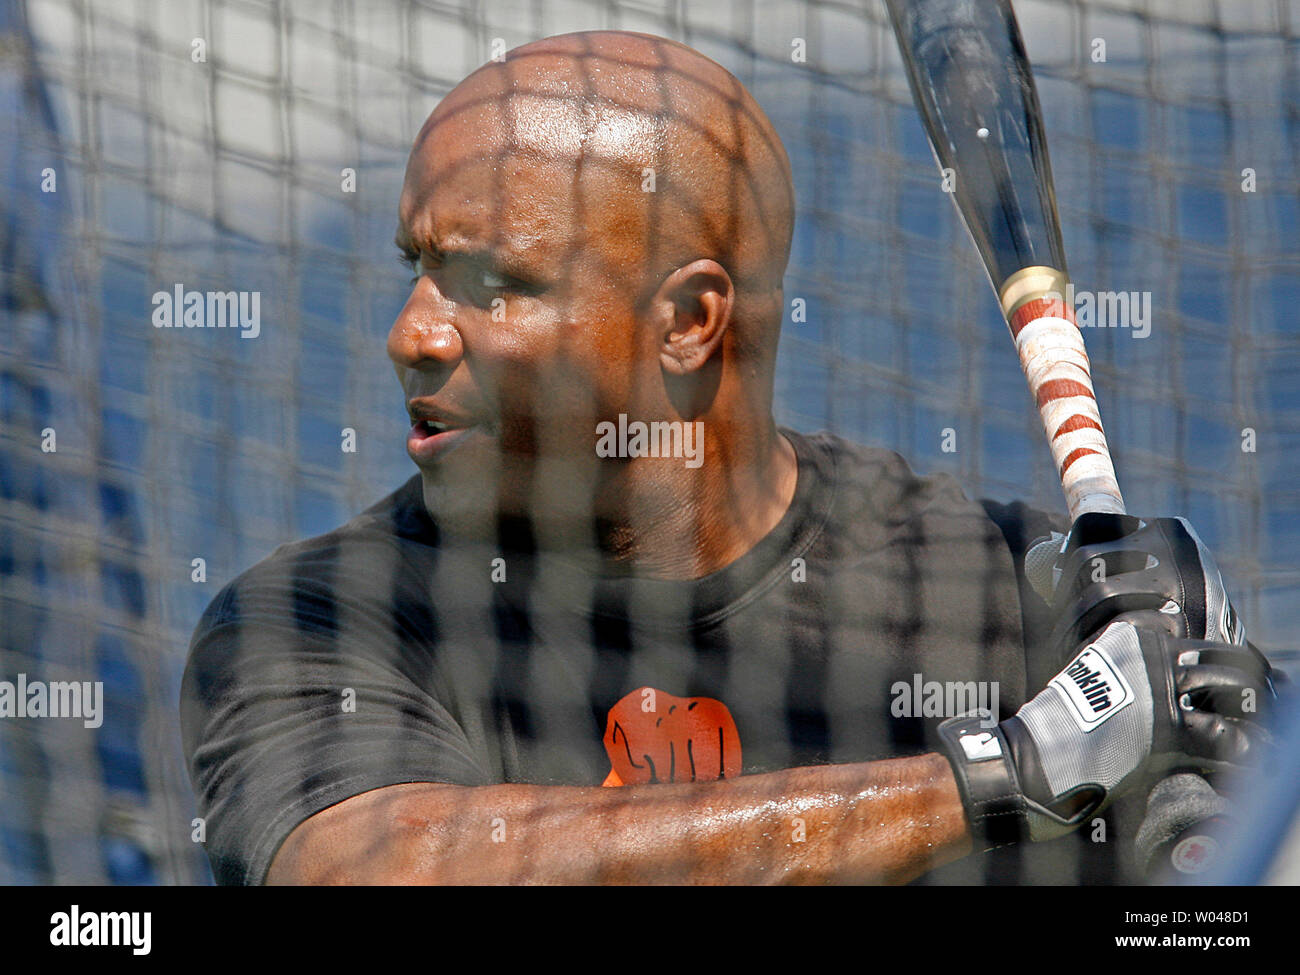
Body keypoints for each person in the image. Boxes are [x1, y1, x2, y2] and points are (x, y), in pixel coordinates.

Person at [180, 30, 1276, 885]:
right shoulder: (321, 617)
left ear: (689, 323)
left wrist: (1241, 769)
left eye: (490, 285)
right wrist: (1002, 778)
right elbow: (379, 871)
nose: (410, 332)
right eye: (415, 266)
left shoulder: (1017, 602)